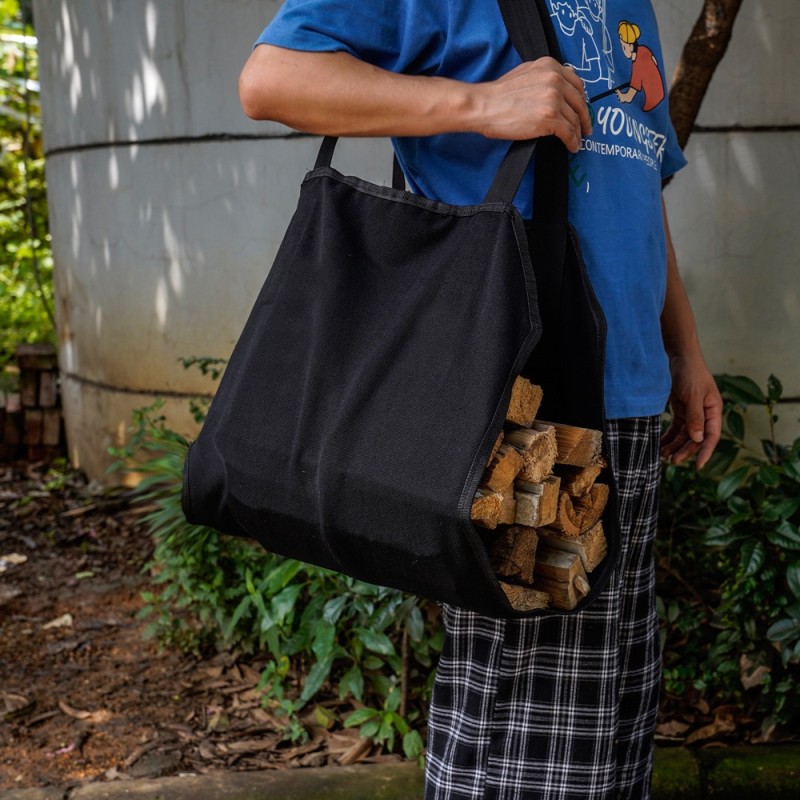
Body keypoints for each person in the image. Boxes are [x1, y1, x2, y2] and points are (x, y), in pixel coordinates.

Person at [238, 1, 723, 797]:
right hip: (528, 395)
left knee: (611, 711)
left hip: (628, 394)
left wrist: (685, 349)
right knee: (523, 726)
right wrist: (481, 103)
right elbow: (271, 79)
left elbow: (637, 180)